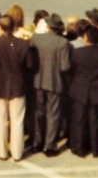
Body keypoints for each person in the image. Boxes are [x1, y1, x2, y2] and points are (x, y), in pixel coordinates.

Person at [0, 15, 33, 161]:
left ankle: (1, 151)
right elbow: (29, 66)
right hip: (18, 85)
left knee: (0, 121)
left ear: (0, 27)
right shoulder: (23, 44)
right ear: (14, 27)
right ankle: (17, 153)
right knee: (17, 121)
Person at [31, 13, 71, 155]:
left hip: (37, 80)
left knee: (38, 112)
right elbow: (64, 67)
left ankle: (37, 141)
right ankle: (49, 145)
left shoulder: (36, 38)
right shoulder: (63, 42)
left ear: (47, 26)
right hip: (54, 81)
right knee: (53, 113)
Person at [70, 25, 98, 158]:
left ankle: (79, 147)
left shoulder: (78, 52)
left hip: (80, 87)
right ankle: (95, 148)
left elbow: (72, 68)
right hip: (97, 89)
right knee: (95, 121)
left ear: (87, 38)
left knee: (79, 119)